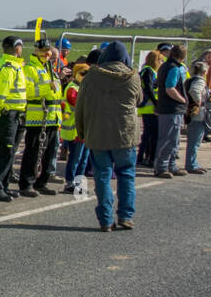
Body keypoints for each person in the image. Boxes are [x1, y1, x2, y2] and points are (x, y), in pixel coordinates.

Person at [74, 41, 140, 231]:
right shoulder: (133, 77)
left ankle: (106, 220)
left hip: (97, 132)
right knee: (126, 174)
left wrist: (81, 132)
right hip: (125, 134)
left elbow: (80, 107)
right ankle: (126, 216)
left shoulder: (90, 77)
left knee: (102, 175)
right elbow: (139, 99)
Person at [19, 39, 63, 196]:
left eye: (49, 50)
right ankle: (26, 184)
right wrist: (47, 87)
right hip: (37, 116)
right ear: (36, 51)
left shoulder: (50, 68)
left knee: (49, 152)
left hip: (53, 116)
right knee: (34, 151)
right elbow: (29, 91)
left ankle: (42, 182)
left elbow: (56, 90)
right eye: (44, 50)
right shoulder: (30, 69)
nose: (47, 53)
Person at [0, 36, 28, 201]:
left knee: (9, 152)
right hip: (7, 114)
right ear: (17, 48)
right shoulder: (9, 67)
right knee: (4, 151)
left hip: (14, 114)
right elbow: (1, 95)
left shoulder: (13, 66)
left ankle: (4, 185)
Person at [153, 44, 189, 178]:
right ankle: (162, 167)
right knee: (169, 139)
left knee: (173, 138)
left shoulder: (164, 66)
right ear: (183, 56)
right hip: (171, 109)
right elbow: (170, 88)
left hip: (167, 108)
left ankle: (171, 165)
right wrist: (183, 100)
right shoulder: (174, 68)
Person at [61, 61, 92, 191]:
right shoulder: (73, 88)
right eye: (83, 73)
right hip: (75, 131)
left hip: (85, 130)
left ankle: (79, 183)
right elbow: (79, 104)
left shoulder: (85, 88)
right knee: (75, 158)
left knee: (83, 159)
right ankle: (70, 182)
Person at [183, 60, 211, 175]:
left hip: (191, 112)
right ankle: (191, 165)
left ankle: (192, 163)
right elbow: (194, 91)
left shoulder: (190, 79)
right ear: (204, 71)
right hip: (198, 114)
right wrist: (198, 102)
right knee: (195, 140)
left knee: (194, 140)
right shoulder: (199, 81)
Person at [136, 50, 163, 166]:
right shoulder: (148, 71)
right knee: (152, 135)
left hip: (149, 108)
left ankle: (144, 157)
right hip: (150, 108)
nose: (161, 62)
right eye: (160, 60)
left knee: (148, 134)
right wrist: (157, 103)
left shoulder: (149, 71)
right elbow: (149, 89)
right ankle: (150, 159)